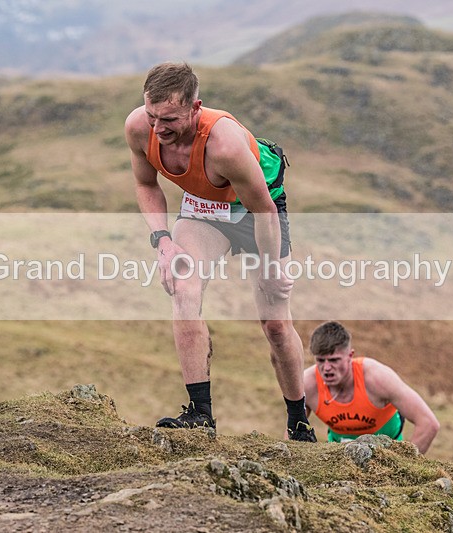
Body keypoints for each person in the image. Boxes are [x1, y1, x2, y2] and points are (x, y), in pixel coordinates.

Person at [124, 61, 316, 442]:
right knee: (184, 286)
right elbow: (145, 184)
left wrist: (272, 266)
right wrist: (162, 240)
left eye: (170, 119)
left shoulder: (224, 144)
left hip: (257, 213)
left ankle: (298, 421)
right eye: (152, 116)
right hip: (203, 209)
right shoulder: (138, 128)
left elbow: (263, 210)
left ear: (196, 108)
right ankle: (200, 415)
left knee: (276, 324)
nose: (159, 128)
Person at [304, 321, 439, 453]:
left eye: (334, 360)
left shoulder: (377, 378)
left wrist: (405, 467)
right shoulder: (308, 384)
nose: (326, 368)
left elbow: (428, 423)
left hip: (387, 458)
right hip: (339, 458)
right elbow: (292, 433)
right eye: (320, 361)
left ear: (350, 356)